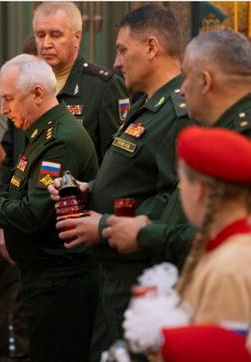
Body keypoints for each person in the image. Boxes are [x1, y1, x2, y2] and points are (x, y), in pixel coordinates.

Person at [48, 5, 195, 360]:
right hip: (116, 269)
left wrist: (105, 225)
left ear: (151, 47)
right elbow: (136, 175)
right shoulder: (147, 105)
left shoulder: (178, 112)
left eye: (122, 49)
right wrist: (90, 190)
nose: (116, 61)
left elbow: (177, 201)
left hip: (142, 274)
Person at [0, 54, 99, 362]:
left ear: (38, 93)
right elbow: (21, 197)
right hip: (43, 277)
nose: (4, 109)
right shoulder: (41, 132)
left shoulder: (60, 140)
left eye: (9, 99)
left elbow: (31, 215)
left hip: (59, 282)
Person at [102, 30, 251, 270]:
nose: (181, 90)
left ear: (204, 82)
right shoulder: (224, 128)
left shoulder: (242, 135)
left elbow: (224, 234)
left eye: (185, 77)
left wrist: (145, 234)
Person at [122, 126, 251, 361]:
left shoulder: (228, 269)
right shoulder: (223, 248)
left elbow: (221, 352)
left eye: (183, 182)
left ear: (198, 191)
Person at [0, 1, 128, 198]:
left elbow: (115, 161)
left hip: (76, 209)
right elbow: (11, 157)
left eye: (55, 34)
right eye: (40, 35)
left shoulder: (104, 87)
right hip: (24, 210)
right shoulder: (22, 84)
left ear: (77, 37)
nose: (46, 43)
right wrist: (3, 212)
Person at [0, 36, 37, 362]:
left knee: (22, 290)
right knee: (1, 286)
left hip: (22, 205)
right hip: (0, 204)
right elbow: (7, 160)